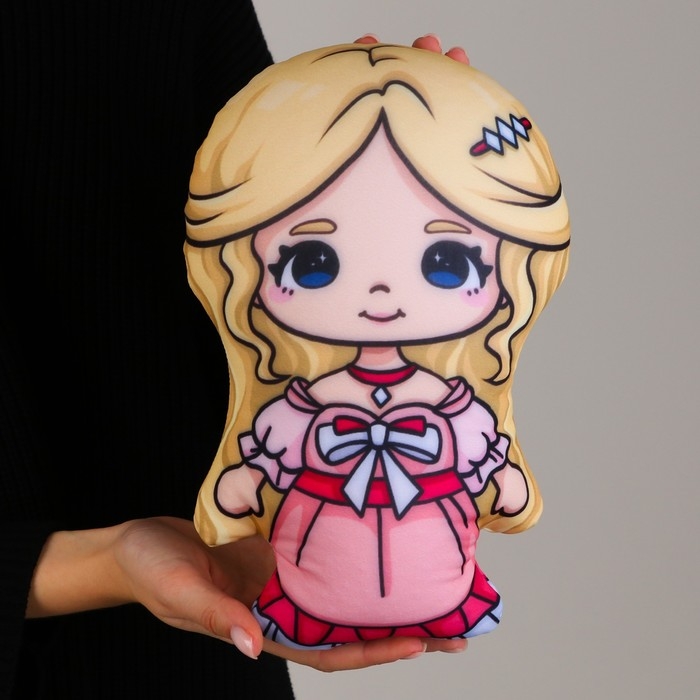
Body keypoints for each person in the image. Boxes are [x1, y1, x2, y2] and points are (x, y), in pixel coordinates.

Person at [0, 0, 470, 696]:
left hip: (198, 629)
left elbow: (259, 250)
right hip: (171, 605)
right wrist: (102, 563)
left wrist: (398, 170)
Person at [183, 43, 569, 650]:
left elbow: (486, 457)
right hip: (313, 546)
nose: (382, 293)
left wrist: (503, 479)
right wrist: (245, 484)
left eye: (447, 261)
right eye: (313, 260)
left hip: (433, 537)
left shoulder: (452, 404)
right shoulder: (303, 405)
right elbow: (268, 454)